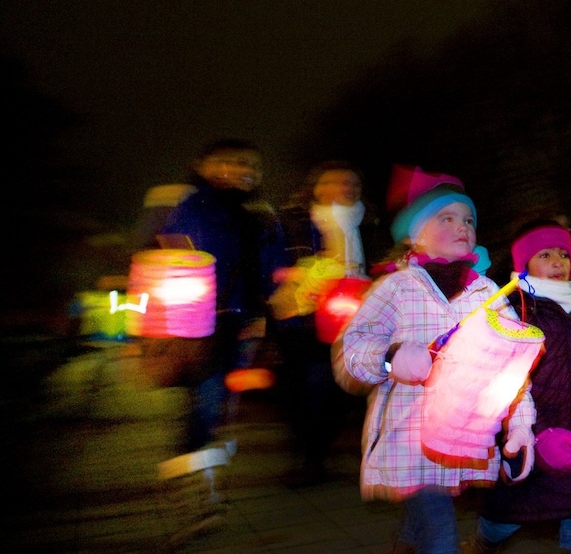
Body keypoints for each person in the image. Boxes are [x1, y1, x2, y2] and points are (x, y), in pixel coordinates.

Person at [336, 166, 536, 554]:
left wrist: (521, 425)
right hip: (409, 437)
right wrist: (391, 358)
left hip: (464, 436)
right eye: (447, 217)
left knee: (423, 522)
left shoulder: (489, 293)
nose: (462, 226)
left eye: (468, 219)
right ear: (415, 233)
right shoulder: (396, 287)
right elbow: (352, 350)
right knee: (441, 534)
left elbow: (512, 365)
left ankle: (404, 545)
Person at [142, 138, 287, 537]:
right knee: (205, 407)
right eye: (229, 161)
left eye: (250, 165)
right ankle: (195, 497)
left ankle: (196, 485)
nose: (241, 169)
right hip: (198, 326)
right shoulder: (192, 206)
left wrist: (276, 302)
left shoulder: (261, 215)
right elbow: (178, 252)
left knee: (222, 409)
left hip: (243, 326)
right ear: (204, 166)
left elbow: (275, 269)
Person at [462, 220, 571, 554]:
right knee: (508, 513)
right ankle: (480, 544)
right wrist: (536, 436)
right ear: (523, 265)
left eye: (564, 254)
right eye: (545, 254)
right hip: (529, 433)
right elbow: (497, 381)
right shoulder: (514, 311)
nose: (559, 262)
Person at [270, 160, 391, 487]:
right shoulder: (294, 221)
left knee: (347, 389)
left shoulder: (372, 222)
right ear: (318, 188)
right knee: (311, 384)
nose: (346, 188)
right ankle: (310, 458)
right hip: (306, 317)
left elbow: (384, 264)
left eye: (352, 182)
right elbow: (276, 265)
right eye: (336, 182)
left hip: (359, 316)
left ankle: (325, 449)